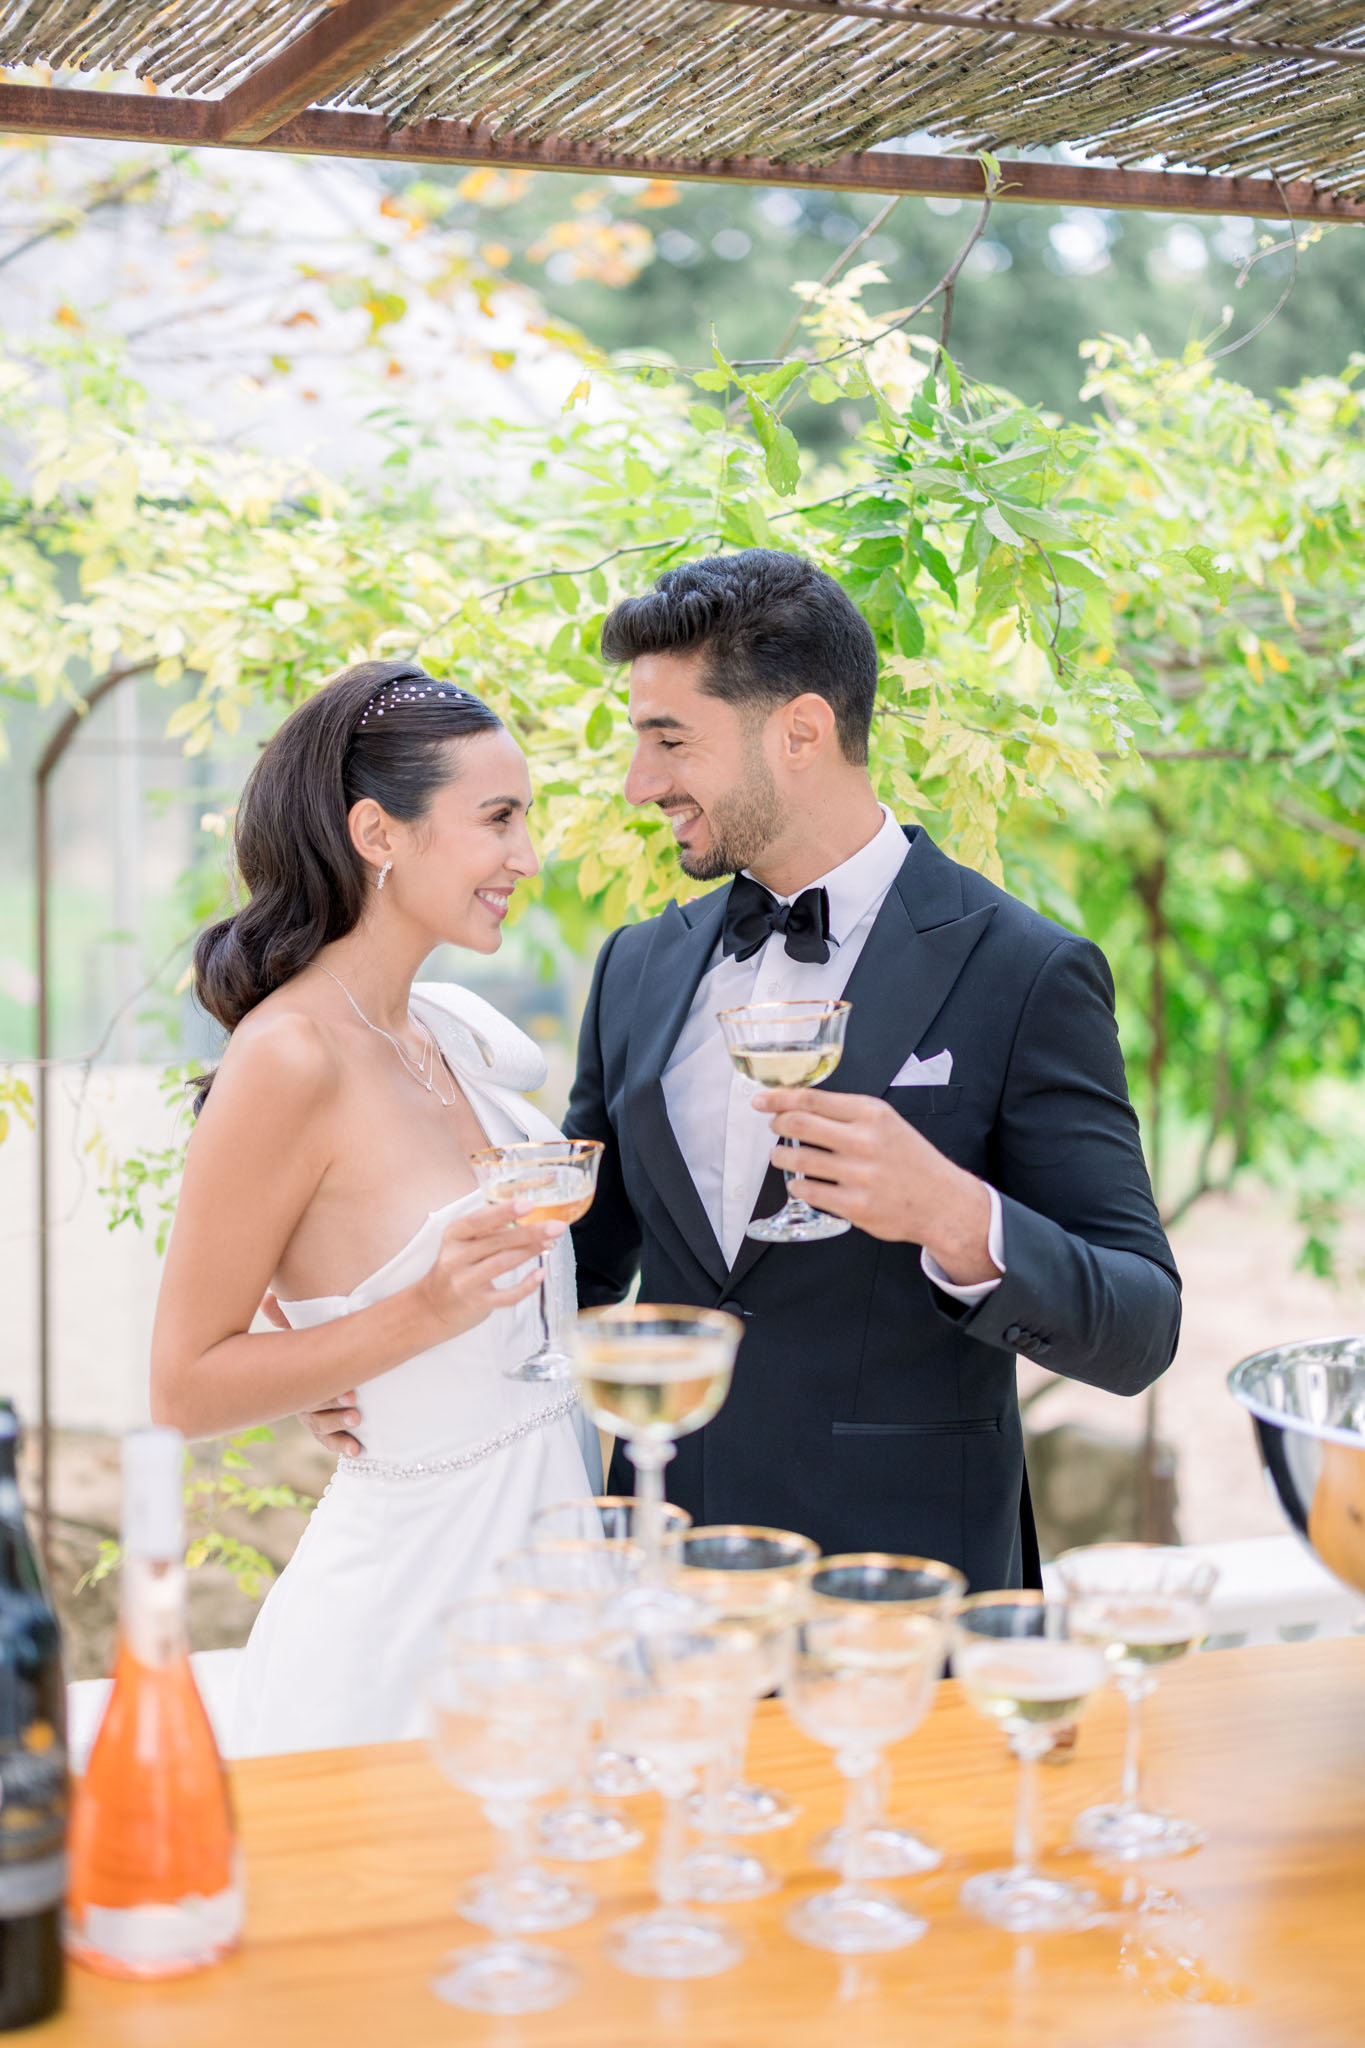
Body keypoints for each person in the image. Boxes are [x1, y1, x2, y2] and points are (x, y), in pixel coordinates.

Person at [561, 549, 1180, 1589]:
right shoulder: (636, 966)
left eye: (670, 741)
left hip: (901, 1587)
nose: (642, 783)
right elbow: (576, 1266)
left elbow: (1140, 1325)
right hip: (665, 1579)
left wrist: (951, 1212)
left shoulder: (1024, 971)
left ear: (800, 730)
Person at [150, 661, 599, 1756]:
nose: (524, 857)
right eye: (496, 819)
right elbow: (181, 1386)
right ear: (377, 830)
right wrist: (418, 1316)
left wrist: (342, 1347)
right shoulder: (288, 1056)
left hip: (551, 1573)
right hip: (405, 1626)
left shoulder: (444, 1027)